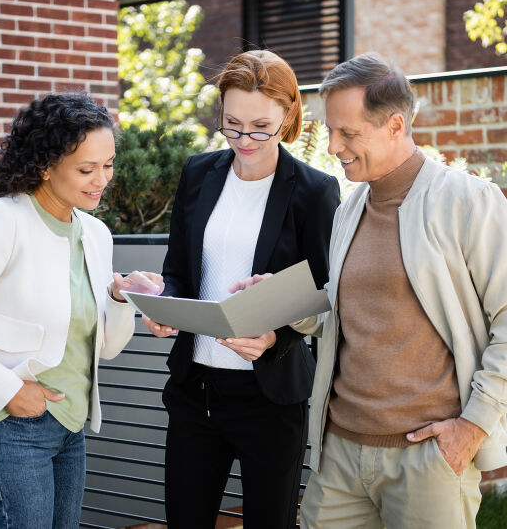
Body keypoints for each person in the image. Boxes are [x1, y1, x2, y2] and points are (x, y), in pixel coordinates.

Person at [286, 53, 507, 528]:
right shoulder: (351, 208)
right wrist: (275, 302)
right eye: (330, 130)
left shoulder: (468, 201)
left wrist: (473, 427)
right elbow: (343, 313)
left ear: (394, 125)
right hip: (340, 453)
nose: (333, 145)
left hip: (427, 458)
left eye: (348, 133)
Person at [142, 50, 340, 528]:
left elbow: (325, 297)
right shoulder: (197, 173)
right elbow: (180, 272)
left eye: (260, 127)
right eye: (232, 124)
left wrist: (275, 337)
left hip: (270, 398)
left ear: (288, 114)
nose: (244, 139)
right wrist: (164, 304)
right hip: (196, 390)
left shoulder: (315, 191)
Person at [0, 92, 164, 529]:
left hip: (71, 427)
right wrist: (8, 390)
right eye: (87, 169)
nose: (101, 180)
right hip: (11, 425)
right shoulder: (4, 221)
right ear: (46, 166)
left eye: (108, 165)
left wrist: (122, 299)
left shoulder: (96, 233)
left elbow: (106, 348)